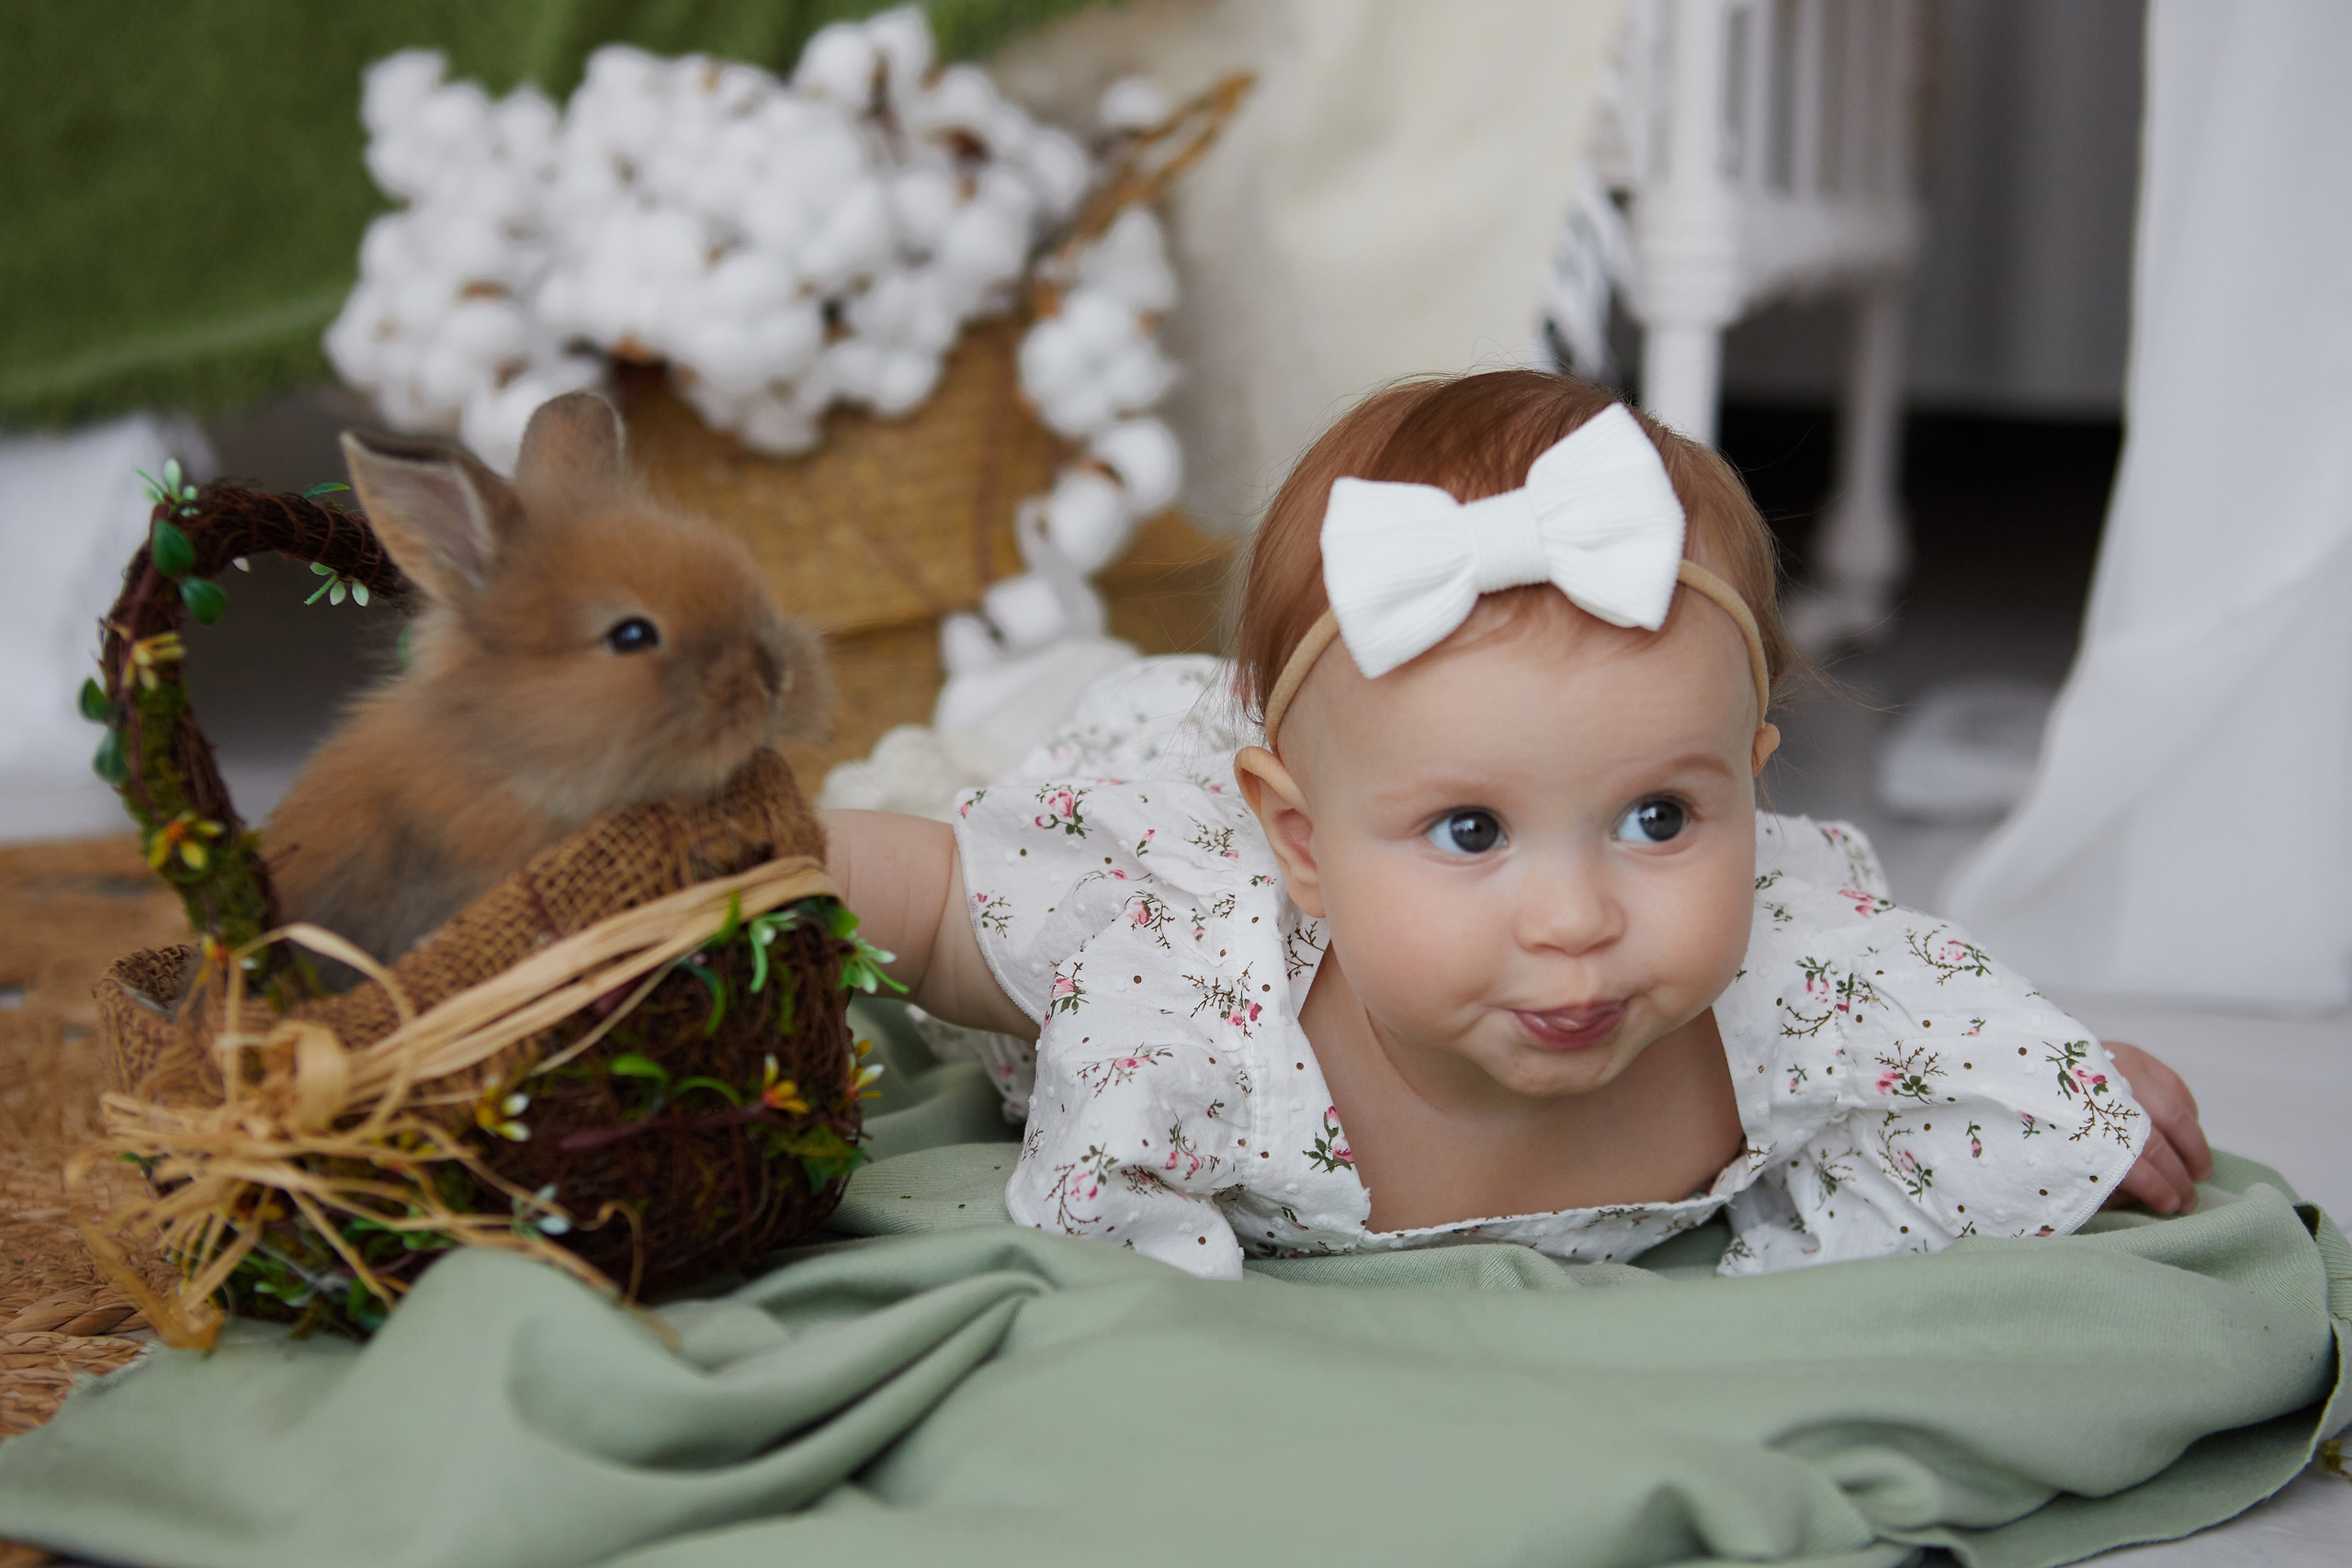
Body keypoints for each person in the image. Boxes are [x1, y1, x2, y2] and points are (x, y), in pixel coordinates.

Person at [826, 371, 2211, 1280]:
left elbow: (1972, 1065)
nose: (1577, 920)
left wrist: (2071, 1082)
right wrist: (760, 864)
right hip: (1167, 805)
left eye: (1660, 815)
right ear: (1300, 845)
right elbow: (937, 904)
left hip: (1330, 770)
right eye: (1474, 833)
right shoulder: (1180, 988)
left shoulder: (1799, 980)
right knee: (936, 821)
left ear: (1756, 783)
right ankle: (1029, 694)